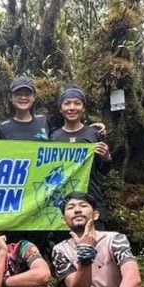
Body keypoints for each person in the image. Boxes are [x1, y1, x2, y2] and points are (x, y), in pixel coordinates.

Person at [49, 86, 113, 227]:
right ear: (60, 109)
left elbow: (103, 170)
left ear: (83, 108)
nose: (72, 108)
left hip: (91, 197)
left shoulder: (94, 134)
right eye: (67, 103)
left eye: (77, 103)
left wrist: (106, 157)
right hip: (63, 202)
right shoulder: (54, 137)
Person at [0, 75, 50, 141]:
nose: (23, 98)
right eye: (18, 94)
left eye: (27, 94)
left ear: (34, 97)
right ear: (10, 97)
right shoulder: (2, 128)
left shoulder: (43, 121)